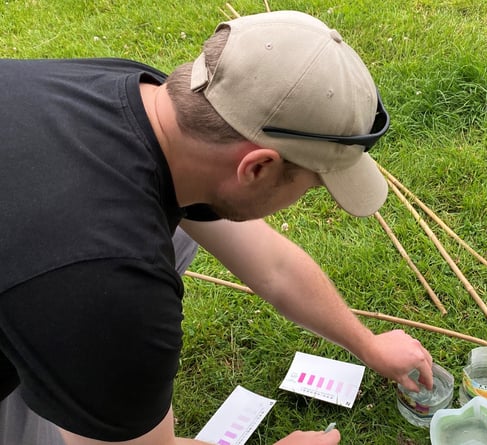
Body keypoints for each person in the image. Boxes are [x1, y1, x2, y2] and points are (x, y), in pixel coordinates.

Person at [0, 10, 433, 445]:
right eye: (313, 184)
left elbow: (273, 266)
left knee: (181, 225)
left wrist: (367, 344)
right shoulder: (110, 283)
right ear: (259, 167)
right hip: (65, 280)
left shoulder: (137, 97)